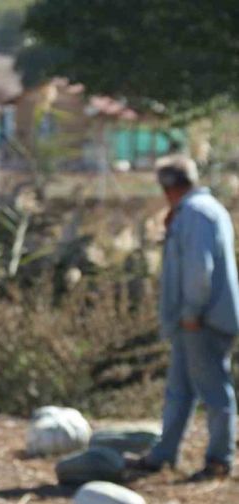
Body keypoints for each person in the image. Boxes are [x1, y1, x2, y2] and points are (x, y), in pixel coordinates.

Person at [131, 156, 239, 481]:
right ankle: (164, 454)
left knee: (214, 390)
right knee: (179, 389)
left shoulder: (196, 214)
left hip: (202, 320)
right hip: (191, 320)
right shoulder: (198, 211)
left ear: (169, 188)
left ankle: (220, 459)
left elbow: (198, 270)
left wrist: (191, 312)